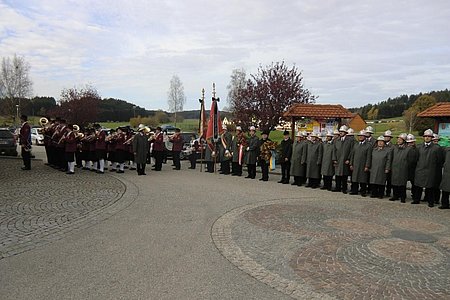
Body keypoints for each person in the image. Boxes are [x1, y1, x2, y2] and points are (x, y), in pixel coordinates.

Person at [412, 129, 444, 207]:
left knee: (430, 187)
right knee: (418, 186)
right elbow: (415, 159)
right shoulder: (419, 147)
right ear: (423, 137)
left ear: (431, 138)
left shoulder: (436, 148)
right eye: (425, 136)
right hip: (420, 169)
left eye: (429, 136)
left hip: (431, 170)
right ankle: (416, 200)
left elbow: (440, 160)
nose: (427, 138)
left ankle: (431, 202)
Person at [390, 133, 414, 203]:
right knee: (394, 183)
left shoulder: (408, 149)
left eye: (400, 139)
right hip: (395, 168)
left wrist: (406, 166)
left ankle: (403, 197)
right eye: (398, 139)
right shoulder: (394, 148)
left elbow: (410, 161)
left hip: (403, 169)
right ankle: (395, 196)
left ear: (404, 140)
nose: (398, 140)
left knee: (402, 184)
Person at [349, 130, 372, 196]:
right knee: (354, 178)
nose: (360, 137)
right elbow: (352, 155)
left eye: (362, 136)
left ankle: (363, 191)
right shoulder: (355, 145)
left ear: (365, 137)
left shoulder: (368, 146)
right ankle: (354, 190)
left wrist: (367, 166)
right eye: (359, 136)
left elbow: (368, 157)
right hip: (355, 164)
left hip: (363, 164)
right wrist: (351, 163)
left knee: (363, 179)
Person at [332, 125, 354, 193]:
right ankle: (337, 187)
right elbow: (334, 150)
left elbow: (351, 151)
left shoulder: (350, 141)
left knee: (345, 175)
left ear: (345, 132)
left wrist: (349, 159)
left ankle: (344, 188)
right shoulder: (336, 140)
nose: (341, 133)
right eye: (340, 131)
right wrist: (334, 159)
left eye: (342, 131)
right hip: (338, 160)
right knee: (337, 175)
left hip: (345, 160)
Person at [383, 130, 394, 197]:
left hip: (389, 165)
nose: (386, 138)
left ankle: (388, 192)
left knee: (389, 180)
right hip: (382, 164)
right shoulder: (381, 144)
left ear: (390, 138)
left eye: (388, 137)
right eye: (385, 137)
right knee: (382, 179)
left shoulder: (392, 146)